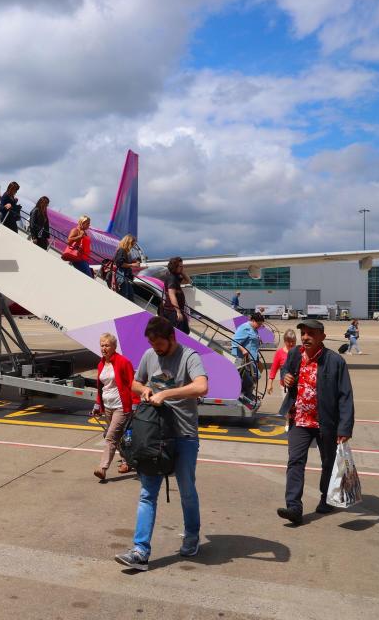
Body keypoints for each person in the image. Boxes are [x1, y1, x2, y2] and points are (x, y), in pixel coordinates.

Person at [114, 317, 208, 571]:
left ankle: (191, 535)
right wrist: (143, 389)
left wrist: (166, 393)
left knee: (187, 489)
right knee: (147, 493)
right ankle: (140, 550)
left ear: (172, 338)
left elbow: (201, 386)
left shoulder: (190, 356)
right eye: (152, 344)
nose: (155, 348)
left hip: (184, 435)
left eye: (159, 344)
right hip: (155, 436)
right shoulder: (148, 354)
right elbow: (134, 381)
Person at [276, 318, 355, 525]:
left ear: (322, 337)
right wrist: (285, 377)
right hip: (299, 418)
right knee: (295, 461)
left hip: (325, 422)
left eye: (311, 333)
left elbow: (345, 396)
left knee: (328, 462)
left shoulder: (335, 361)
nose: (305, 337)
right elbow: (285, 370)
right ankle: (294, 507)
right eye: (303, 333)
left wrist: (344, 427)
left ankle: (325, 498)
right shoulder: (295, 354)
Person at [92, 333, 137, 480]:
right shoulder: (100, 364)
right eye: (102, 345)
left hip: (121, 406)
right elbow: (101, 387)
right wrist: (97, 405)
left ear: (114, 347)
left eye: (107, 345)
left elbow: (133, 384)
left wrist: (135, 403)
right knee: (117, 438)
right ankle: (126, 461)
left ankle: (102, 468)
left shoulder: (123, 362)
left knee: (110, 437)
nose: (104, 348)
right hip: (108, 406)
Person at [231, 313, 265, 398]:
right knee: (253, 376)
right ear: (253, 321)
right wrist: (243, 350)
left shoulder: (254, 328)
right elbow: (234, 341)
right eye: (258, 324)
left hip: (253, 358)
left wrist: (258, 339)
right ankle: (243, 393)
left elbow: (252, 339)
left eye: (261, 324)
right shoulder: (245, 328)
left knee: (257, 373)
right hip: (244, 359)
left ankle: (247, 392)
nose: (259, 326)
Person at [157, 257, 190, 333]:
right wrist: (178, 311)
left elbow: (188, 281)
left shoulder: (175, 277)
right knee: (180, 332)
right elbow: (172, 295)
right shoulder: (171, 278)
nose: (182, 268)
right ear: (175, 267)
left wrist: (181, 271)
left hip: (175, 310)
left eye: (182, 266)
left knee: (185, 331)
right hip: (172, 311)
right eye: (180, 266)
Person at [267, 328, 297, 398]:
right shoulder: (279, 353)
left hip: (298, 386)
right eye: (289, 342)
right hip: (285, 387)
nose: (291, 344)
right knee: (287, 408)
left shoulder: (300, 351)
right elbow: (273, 369)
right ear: (284, 341)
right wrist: (269, 383)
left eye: (293, 341)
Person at [113, 234, 140, 301]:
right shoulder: (122, 250)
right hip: (122, 275)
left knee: (129, 296)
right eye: (132, 244)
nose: (132, 247)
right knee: (125, 296)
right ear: (128, 243)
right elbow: (120, 263)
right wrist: (133, 265)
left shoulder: (124, 251)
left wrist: (133, 262)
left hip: (125, 276)